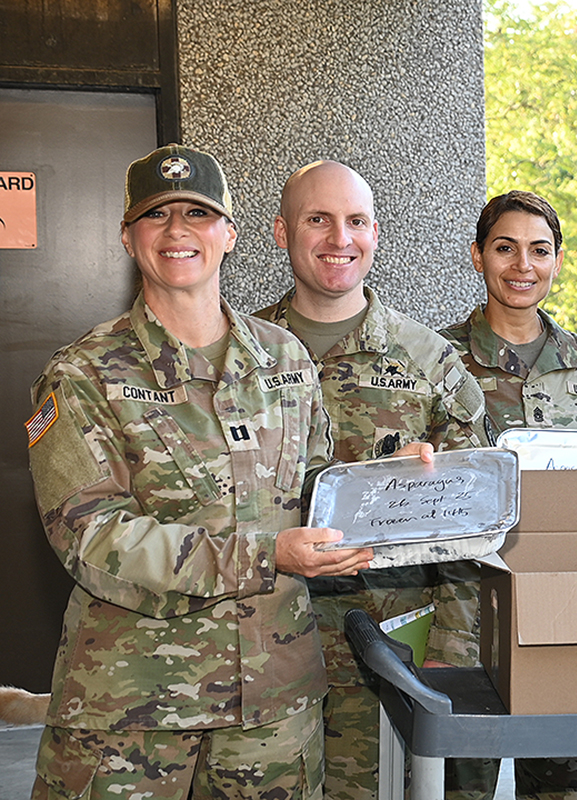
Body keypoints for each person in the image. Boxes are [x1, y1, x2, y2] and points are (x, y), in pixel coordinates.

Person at [26, 144, 372, 799]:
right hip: (133, 714)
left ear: (230, 235)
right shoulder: (83, 375)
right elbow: (93, 538)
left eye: (198, 214)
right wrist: (269, 555)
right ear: (129, 237)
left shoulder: (284, 359)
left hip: (273, 710)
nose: (179, 231)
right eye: (158, 216)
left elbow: (319, 486)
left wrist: (398, 488)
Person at [255, 160, 488, 800]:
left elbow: (474, 530)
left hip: (388, 648)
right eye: (318, 220)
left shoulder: (429, 362)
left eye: (356, 221)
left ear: (376, 233)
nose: (340, 238)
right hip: (265, 646)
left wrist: (453, 645)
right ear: (281, 232)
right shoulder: (243, 358)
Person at [440, 190, 577, 800]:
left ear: (558, 260)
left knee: (563, 786)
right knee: (460, 782)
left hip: (565, 610)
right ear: (477, 257)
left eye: (539, 250)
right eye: (505, 248)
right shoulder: (436, 363)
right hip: (462, 608)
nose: (523, 265)